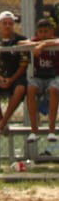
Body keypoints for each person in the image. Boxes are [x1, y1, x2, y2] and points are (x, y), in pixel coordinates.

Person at [0, 11, 29, 135]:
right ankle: (1, 120)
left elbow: (23, 64)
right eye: (5, 23)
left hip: (16, 76)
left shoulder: (21, 40)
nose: (7, 26)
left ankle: (3, 122)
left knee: (20, 89)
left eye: (10, 23)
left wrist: (12, 79)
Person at [21, 17, 59, 152]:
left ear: (52, 32)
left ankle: (52, 130)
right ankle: (34, 130)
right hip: (39, 77)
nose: (43, 34)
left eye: (46, 31)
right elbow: (21, 43)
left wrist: (43, 45)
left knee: (54, 90)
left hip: (54, 77)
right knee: (30, 89)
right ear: (37, 33)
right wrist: (34, 44)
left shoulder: (54, 42)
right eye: (41, 32)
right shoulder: (36, 41)